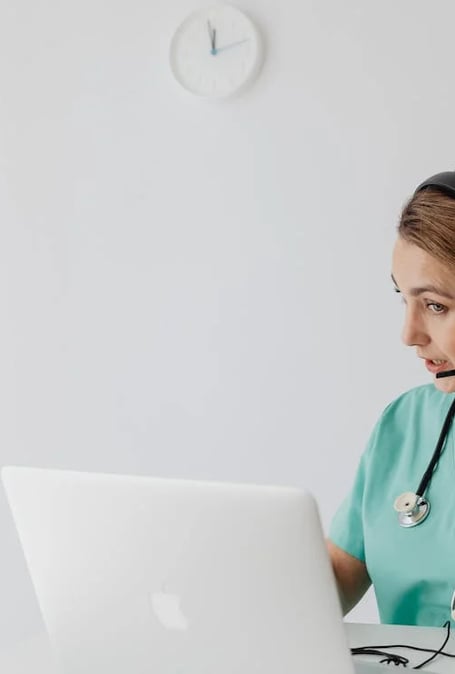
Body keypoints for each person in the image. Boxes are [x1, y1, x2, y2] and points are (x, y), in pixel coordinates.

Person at [327, 171, 455, 627]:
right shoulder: (405, 422)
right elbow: (340, 574)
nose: (409, 335)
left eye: (436, 305)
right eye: (404, 299)